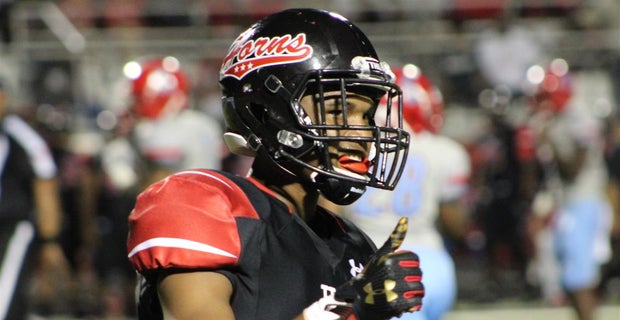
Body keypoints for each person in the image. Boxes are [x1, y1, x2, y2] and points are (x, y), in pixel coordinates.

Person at [127, 8, 425, 320]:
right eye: (338, 110)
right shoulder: (205, 206)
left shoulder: (352, 244)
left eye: (365, 115)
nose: (361, 133)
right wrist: (346, 309)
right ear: (265, 112)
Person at [91, 56, 224, 318]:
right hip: (206, 225)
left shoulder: (171, 130)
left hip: (175, 229)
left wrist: (123, 150)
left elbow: (151, 182)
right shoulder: (200, 124)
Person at [345, 64, 471, 320]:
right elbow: (456, 224)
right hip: (432, 264)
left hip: (372, 263)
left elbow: (330, 210)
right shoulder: (446, 152)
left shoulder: (350, 147)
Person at [524, 59, 612, 320]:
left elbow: (576, 167)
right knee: (567, 276)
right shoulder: (560, 118)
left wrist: (547, 140)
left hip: (584, 201)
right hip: (567, 203)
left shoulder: (579, 117)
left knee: (579, 276)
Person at [0, 78, 70, 319]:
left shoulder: (22, 137)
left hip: (11, 229)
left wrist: (50, 240)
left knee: (4, 300)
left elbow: (45, 185)